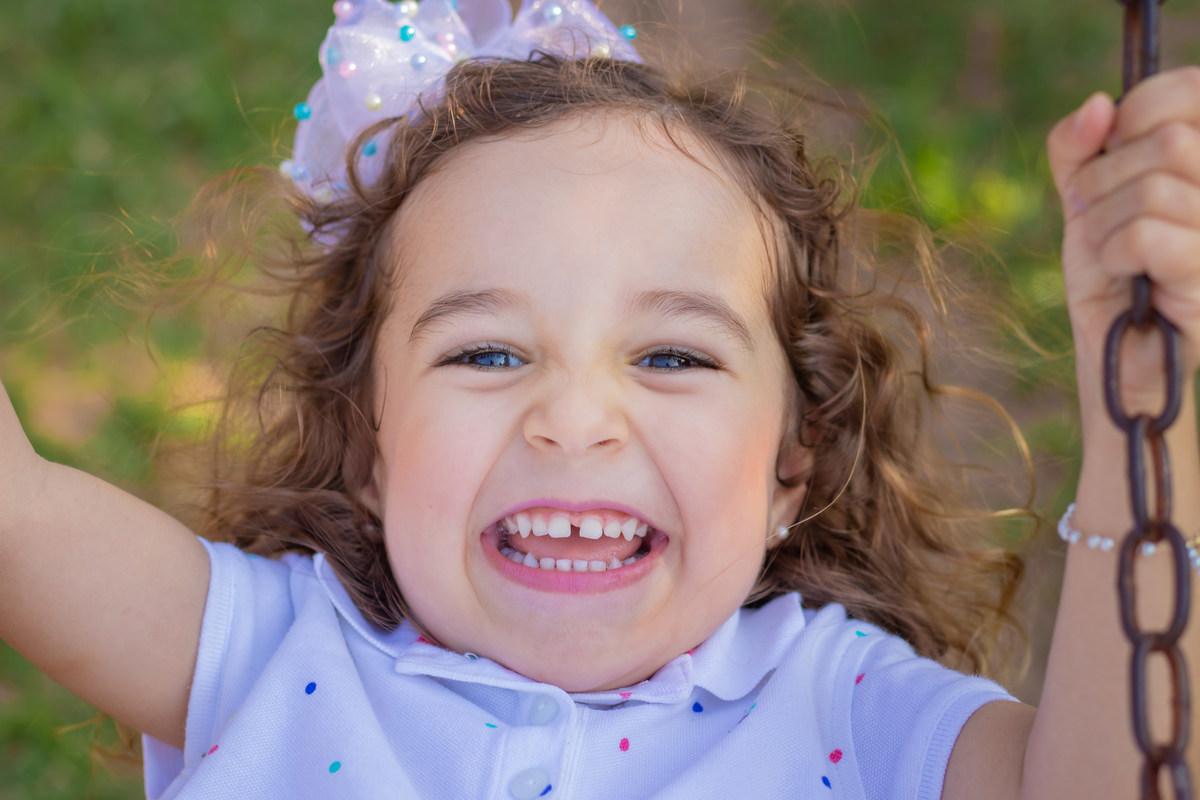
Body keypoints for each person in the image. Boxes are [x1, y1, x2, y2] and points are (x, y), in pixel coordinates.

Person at [1, 0, 1197, 797]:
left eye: (672, 356)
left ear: (795, 462)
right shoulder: (260, 649)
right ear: (368, 447)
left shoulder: (857, 712)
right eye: (485, 353)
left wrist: (1150, 418)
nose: (573, 419)